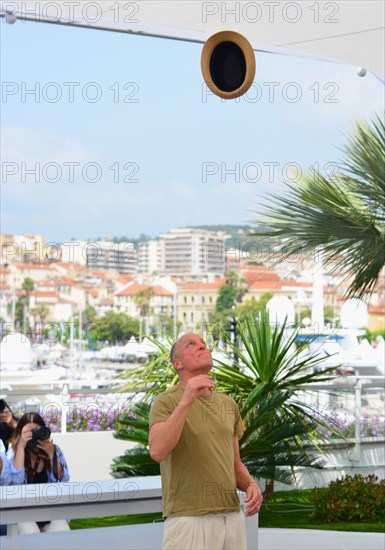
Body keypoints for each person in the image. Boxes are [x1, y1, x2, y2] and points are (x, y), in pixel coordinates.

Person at [149, 333, 263, 550]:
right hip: (189, 520)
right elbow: (157, 451)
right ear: (177, 363)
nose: (201, 346)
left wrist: (251, 484)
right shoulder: (166, 401)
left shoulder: (228, 404)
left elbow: (234, 463)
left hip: (232, 518)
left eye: (203, 343)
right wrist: (187, 400)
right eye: (191, 344)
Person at [7, 412, 70, 535]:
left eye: (36, 431)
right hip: (23, 513)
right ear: (20, 433)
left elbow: (62, 479)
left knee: (63, 532)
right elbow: (15, 483)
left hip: (50, 512)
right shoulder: (13, 452)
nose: (33, 435)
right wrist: (21, 447)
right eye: (28, 432)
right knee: (31, 534)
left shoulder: (54, 450)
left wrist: (52, 454)